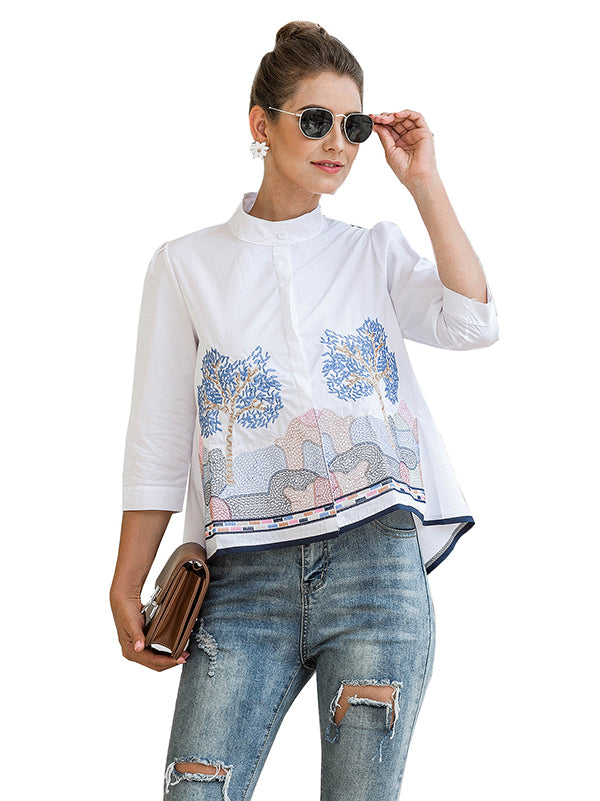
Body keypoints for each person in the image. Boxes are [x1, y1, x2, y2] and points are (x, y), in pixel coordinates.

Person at [110, 20, 499, 801]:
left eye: (352, 126)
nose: (337, 144)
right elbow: (159, 432)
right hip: (242, 579)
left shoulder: (371, 250)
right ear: (261, 124)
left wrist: (423, 182)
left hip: (376, 570)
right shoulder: (186, 264)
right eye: (315, 120)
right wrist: (128, 575)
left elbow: (472, 321)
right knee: (196, 789)